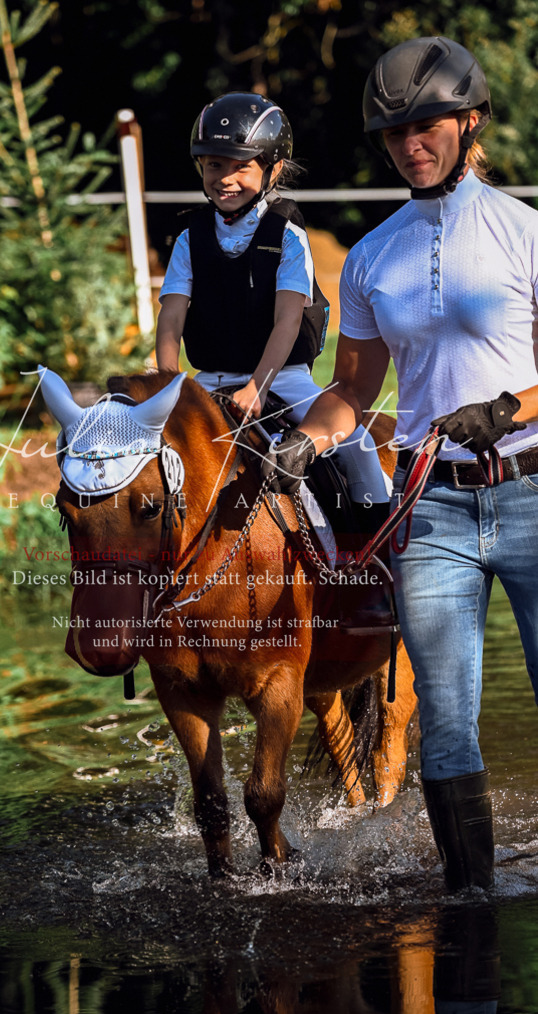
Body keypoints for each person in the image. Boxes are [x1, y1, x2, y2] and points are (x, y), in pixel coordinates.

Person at [276, 36, 538, 891]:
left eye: (427, 125)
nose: (410, 144)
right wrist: (308, 438)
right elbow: (354, 386)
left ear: (471, 122)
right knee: (446, 724)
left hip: (531, 490)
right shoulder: (370, 256)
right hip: (430, 512)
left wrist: (506, 409)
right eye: (394, 133)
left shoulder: (524, 232)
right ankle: (471, 903)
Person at [155, 91, 395, 631]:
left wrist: (257, 387)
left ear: (273, 168)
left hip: (283, 379)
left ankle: (374, 582)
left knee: (358, 449)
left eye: (239, 167)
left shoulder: (289, 236)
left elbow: (288, 322)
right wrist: (167, 385)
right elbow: (171, 318)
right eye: (212, 166)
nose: (224, 178)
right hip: (208, 381)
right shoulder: (189, 238)